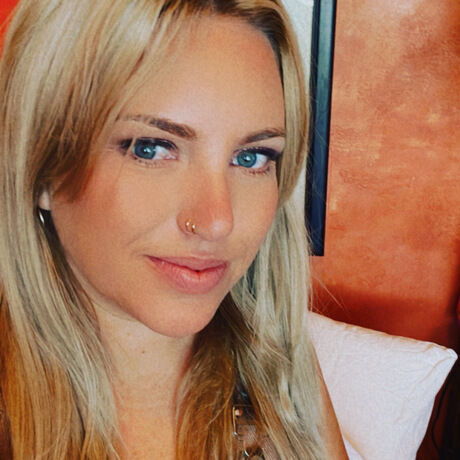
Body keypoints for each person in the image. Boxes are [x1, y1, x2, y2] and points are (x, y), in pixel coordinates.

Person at [0, 0, 347, 458]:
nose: (217, 222)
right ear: (42, 170)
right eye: (151, 148)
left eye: (252, 157)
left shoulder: (280, 382)